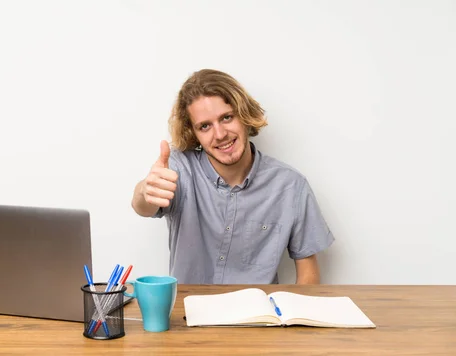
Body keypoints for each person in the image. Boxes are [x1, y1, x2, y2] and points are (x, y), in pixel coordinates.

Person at [131, 69, 335, 284]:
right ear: (194, 134)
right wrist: (145, 191)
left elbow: (308, 273)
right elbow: (142, 206)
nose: (220, 134)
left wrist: (295, 316)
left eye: (227, 117)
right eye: (205, 126)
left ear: (244, 115)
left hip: (258, 316)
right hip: (188, 313)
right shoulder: (179, 169)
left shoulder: (291, 186)